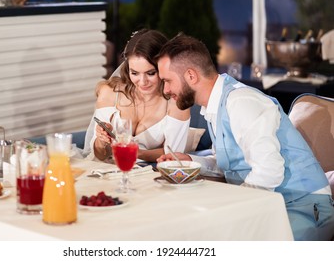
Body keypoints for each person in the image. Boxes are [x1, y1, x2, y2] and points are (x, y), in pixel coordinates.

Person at [156, 32, 334, 241]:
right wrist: (191, 161)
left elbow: (269, 171)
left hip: (304, 208)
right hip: (272, 204)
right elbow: (230, 162)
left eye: (167, 81)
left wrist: (232, 208)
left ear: (191, 76)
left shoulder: (241, 102)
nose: (166, 90)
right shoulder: (215, 106)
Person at [84, 29, 190, 163]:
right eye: (134, 73)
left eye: (151, 73)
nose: (142, 82)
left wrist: (139, 153)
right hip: (106, 171)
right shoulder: (109, 93)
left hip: (150, 174)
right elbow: (99, 156)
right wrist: (101, 140)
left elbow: (173, 156)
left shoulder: (176, 103)